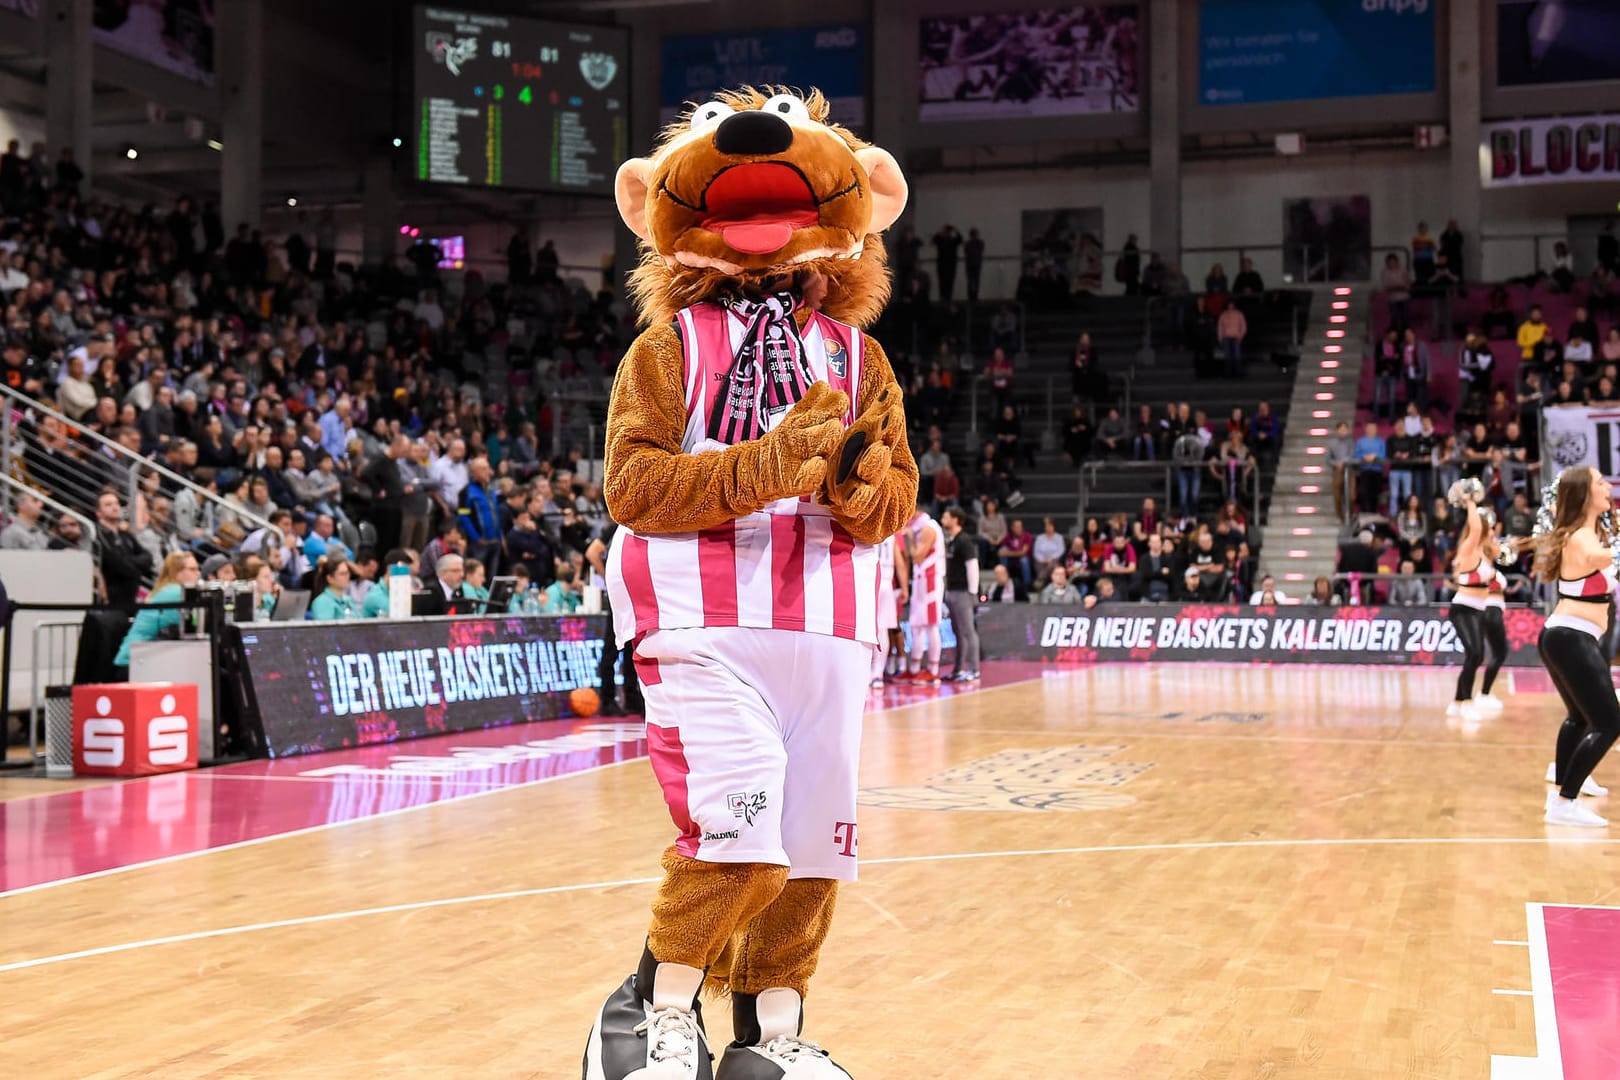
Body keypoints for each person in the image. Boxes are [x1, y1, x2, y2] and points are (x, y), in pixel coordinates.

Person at [1534, 466, 1619, 826]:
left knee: (1580, 718)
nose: (1607, 486)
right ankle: (1565, 801)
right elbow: (1600, 557)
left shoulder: (1583, 531)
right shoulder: (1583, 537)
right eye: (1600, 482)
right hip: (1571, 637)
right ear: (1585, 494)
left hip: (1564, 636)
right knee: (1609, 723)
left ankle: (1564, 792)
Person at [1446, 480, 1493, 725]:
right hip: (1463, 608)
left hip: (1477, 610)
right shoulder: (1469, 548)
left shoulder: (1484, 553)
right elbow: (1475, 528)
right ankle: (1465, 701)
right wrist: (1470, 502)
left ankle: (1456, 702)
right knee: (1475, 654)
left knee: (1475, 655)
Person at [113, 552, 200, 669]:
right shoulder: (175, 592)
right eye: (192, 569)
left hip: (145, 655)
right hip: (133, 662)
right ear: (177, 572)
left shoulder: (168, 589)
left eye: (198, 569)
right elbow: (184, 628)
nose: (198, 574)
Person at [902, 502, 946, 685]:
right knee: (917, 625)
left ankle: (933, 670)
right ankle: (914, 669)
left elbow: (917, 556)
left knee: (931, 625)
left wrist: (910, 539)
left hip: (930, 581)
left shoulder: (928, 528)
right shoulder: (921, 527)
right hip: (921, 580)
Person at [95, 490, 154, 616]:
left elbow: (147, 557)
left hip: (131, 595)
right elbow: (116, 563)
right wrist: (134, 564)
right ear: (98, 513)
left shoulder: (125, 535)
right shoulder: (97, 537)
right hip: (111, 598)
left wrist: (128, 561)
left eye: (116, 503)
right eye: (108, 504)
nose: (115, 507)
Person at [940, 506, 979, 683]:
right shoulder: (952, 541)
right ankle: (958, 669)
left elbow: (972, 566)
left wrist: (973, 592)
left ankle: (975, 669)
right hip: (953, 591)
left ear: (956, 519)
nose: (943, 519)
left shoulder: (964, 541)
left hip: (963, 592)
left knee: (968, 631)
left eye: (947, 517)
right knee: (957, 632)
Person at [417, 552, 469, 617]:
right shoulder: (431, 591)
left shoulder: (458, 590)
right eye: (456, 571)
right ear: (442, 573)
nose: (462, 575)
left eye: (462, 571)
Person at [1217, 300, 1247, 377]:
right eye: (1229, 305)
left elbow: (1243, 326)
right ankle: (1228, 372)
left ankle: (1238, 372)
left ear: (1234, 305)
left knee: (1237, 355)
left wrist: (1240, 336)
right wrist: (1220, 338)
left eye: (1232, 305)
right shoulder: (1223, 315)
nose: (1230, 306)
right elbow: (1220, 328)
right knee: (1227, 355)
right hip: (1226, 337)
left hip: (1236, 337)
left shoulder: (1239, 314)